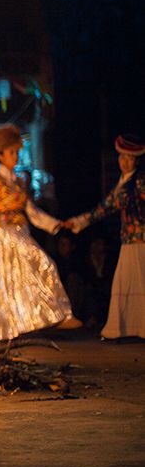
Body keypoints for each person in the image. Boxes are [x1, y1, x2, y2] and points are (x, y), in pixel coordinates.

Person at [0, 125, 81, 340]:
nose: (16, 156)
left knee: (16, 280)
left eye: (16, 152)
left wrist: (57, 224)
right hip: (6, 234)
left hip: (22, 231)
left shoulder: (20, 183)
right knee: (44, 264)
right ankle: (59, 314)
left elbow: (32, 212)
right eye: (11, 152)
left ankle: (19, 325)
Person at [65, 134, 144, 339]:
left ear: (136, 161)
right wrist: (78, 222)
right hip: (129, 241)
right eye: (122, 157)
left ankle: (132, 329)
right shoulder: (124, 183)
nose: (124, 162)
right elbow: (104, 208)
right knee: (126, 282)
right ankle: (125, 329)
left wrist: (79, 221)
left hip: (140, 241)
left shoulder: (138, 183)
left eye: (129, 158)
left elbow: (106, 207)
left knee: (135, 282)